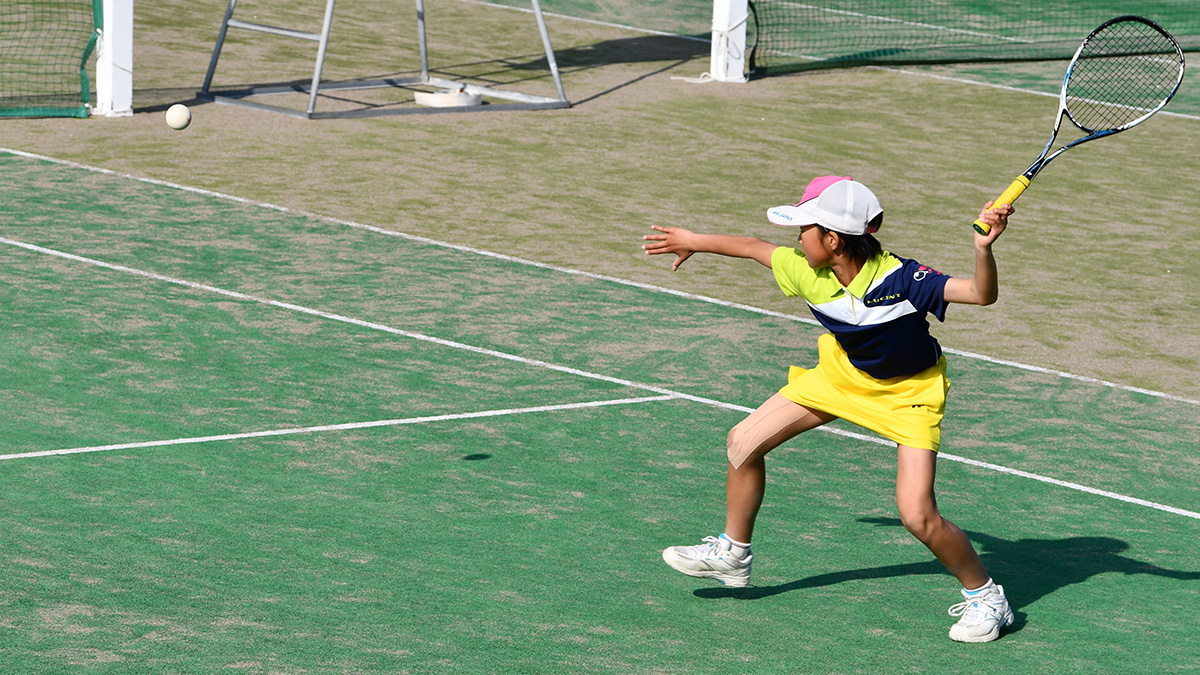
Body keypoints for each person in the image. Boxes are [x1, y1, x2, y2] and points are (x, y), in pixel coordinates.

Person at [640, 176, 1015, 643]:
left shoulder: (905, 280)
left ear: (832, 239)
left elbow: (981, 294)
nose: (796, 239)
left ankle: (987, 596)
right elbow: (753, 247)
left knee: (917, 515)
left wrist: (983, 249)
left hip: (909, 395)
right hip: (842, 377)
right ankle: (733, 554)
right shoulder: (807, 270)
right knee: (743, 441)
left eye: (803, 229)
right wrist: (691, 240)